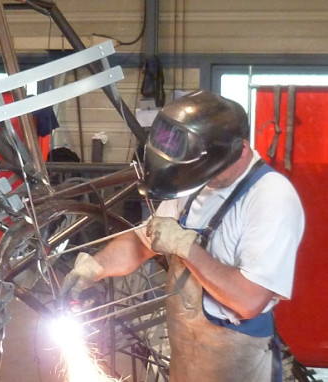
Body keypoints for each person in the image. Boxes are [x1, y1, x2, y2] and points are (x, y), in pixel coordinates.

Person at [60, 90, 305, 382]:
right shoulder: (196, 183)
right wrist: (95, 267)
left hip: (234, 359)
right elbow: (142, 242)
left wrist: (187, 248)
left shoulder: (270, 197)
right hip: (186, 352)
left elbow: (249, 299)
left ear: (238, 150)